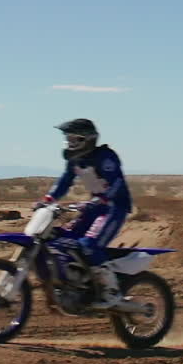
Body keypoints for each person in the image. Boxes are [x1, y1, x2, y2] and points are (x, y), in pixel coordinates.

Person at [35, 119, 132, 308]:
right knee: (63, 238)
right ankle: (79, 284)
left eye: (73, 139)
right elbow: (64, 182)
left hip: (114, 208)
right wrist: (48, 200)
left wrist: (104, 198)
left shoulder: (105, 157)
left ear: (87, 139)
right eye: (68, 139)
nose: (69, 143)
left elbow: (117, 182)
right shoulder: (75, 160)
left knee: (89, 244)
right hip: (95, 208)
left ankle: (111, 291)